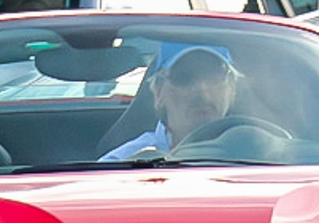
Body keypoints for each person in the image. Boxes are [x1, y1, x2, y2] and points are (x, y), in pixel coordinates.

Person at [101, 46, 236, 161]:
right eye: (183, 78)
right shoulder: (118, 166)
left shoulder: (254, 156)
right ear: (159, 92)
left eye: (214, 76)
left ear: (232, 87)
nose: (201, 90)